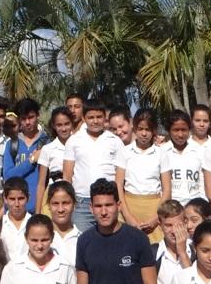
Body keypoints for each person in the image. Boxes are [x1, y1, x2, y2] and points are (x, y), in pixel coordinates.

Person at [76, 178, 158, 284]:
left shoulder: (138, 239)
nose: (104, 211)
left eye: (108, 205)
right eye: (98, 206)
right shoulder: (84, 241)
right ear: (91, 208)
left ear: (119, 206)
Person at [63, 99, 124, 231]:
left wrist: (119, 203)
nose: (95, 121)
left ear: (105, 118)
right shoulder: (74, 141)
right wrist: (70, 201)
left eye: (99, 117)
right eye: (91, 117)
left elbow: (119, 179)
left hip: (108, 201)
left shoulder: (115, 141)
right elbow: (67, 176)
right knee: (84, 241)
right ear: (84, 118)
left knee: (110, 242)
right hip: (81, 203)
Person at [115, 109, 172, 243]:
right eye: (140, 129)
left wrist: (156, 217)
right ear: (134, 128)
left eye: (148, 129)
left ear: (154, 130)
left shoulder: (161, 153)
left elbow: (167, 189)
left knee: (154, 252)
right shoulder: (125, 152)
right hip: (129, 206)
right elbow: (118, 185)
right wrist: (128, 217)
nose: (144, 133)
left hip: (154, 208)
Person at [152, 200, 192, 284]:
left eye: (178, 225)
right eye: (168, 225)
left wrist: (182, 253)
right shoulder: (153, 254)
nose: (174, 231)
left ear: (186, 223)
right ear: (160, 225)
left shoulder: (196, 252)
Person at [3, 97, 48, 204]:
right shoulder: (12, 144)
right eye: (23, 118)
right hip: (15, 208)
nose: (28, 122)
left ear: (38, 115)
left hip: (41, 208)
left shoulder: (48, 143)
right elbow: (8, 176)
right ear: (19, 120)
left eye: (31, 117)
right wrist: (31, 160)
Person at [36, 106, 75, 215]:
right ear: (53, 126)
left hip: (76, 194)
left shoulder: (80, 145)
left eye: (67, 124)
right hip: (52, 194)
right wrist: (38, 212)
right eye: (59, 125)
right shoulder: (48, 149)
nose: (63, 129)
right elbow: (41, 183)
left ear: (72, 123)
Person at [164, 110, 206, 204]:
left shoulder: (199, 151)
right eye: (176, 130)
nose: (180, 134)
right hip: (171, 207)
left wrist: (202, 205)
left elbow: (203, 183)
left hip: (194, 205)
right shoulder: (162, 152)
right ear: (169, 130)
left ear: (189, 130)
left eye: (184, 130)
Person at [47, 180, 81, 264]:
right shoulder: (41, 239)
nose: (60, 209)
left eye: (65, 203)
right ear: (49, 206)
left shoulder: (82, 239)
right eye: (55, 203)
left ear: (74, 205)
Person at [0, 177, 32, 261]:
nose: (17, 204)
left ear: (28, 198)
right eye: (12, 199)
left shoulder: (35, 224)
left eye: (21, 199)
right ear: (5, 199)